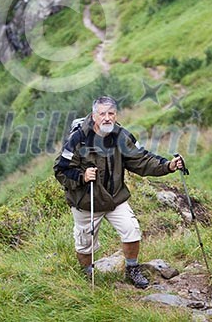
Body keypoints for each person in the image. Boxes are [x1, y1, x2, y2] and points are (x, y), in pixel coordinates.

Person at [53, 95, 184, 288]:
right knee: (84, 244)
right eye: (102, 114)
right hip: (85, 201)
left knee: (132, 230)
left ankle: (132, 269)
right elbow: (60, 169)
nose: (107, 118)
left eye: (111, 113)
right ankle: (89, 274)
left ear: (115, 115)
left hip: (115, 198)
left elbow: (141, 159)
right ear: (94, 115)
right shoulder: (78, 138)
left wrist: (168, 165)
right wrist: (82, 176)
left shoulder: (121, 135)